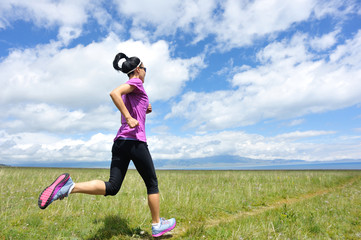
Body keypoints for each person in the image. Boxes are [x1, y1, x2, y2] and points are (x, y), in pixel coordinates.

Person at [38, 53, 176, 238]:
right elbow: (114, 93)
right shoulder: (137, 83)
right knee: (152, 183)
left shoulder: (133, 92)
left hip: (120, 142)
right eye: (145, 68)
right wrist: (129, 117)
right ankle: (157, 224)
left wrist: (143, 111)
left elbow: (130, 105)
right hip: (136, 142)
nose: (145, 72)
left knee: (112, 187)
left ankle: (69, 187)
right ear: (137, 70)